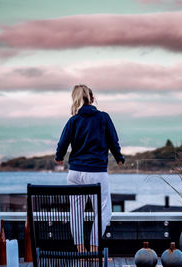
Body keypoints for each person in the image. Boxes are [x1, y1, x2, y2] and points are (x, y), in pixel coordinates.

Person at [55, 84, 125, 253]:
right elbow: (113, 141)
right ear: (92, 99)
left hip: (75, 173)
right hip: (96, 173)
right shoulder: (103, 117)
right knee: (103, 210)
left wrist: (59, 157)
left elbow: (63, 143)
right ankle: (93, 251)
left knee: (76, 212)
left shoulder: (73, 120)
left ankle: (81, 251)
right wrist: (119, 158)